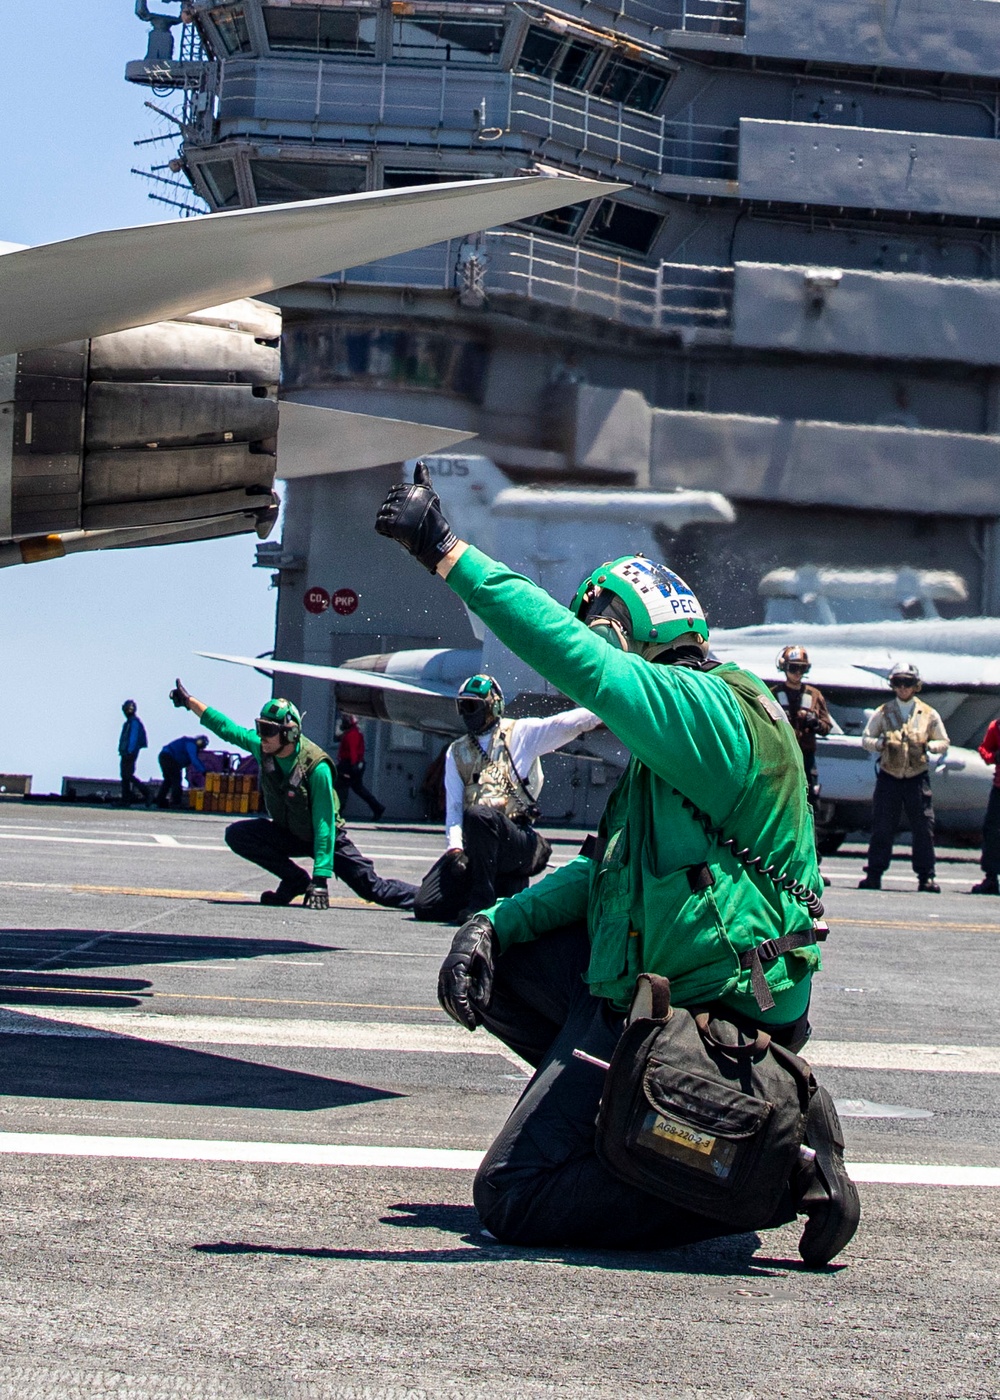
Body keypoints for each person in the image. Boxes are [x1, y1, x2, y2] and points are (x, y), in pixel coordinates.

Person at [374, 463, 858, 1264]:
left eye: (596, 627)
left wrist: (446, 551)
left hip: (713, 1004)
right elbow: (610, 872)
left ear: (620, 630)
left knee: (513, 1196)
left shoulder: (700, 709)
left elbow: (584, 664)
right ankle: (650, 1127)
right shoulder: (684, 730)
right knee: (514, 958)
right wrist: (491, 925)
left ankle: (779, 1170)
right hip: (666, 986)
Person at [167, 680, 416, 911]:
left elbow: (324, 824)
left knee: (373, 889)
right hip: (289, 831)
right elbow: (227, 729)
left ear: (289, 733)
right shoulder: (264, 748)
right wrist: (190, 702)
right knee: (238, 835)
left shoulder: (316, 767)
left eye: (268, 730)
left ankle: (430, 899)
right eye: (260, 728)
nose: (261, 736)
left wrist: (320, 879)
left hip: (326, 837)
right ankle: (295, 879)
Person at [416, 673, 599, 922]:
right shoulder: (457, 752)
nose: (468, 714)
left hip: (517, 840)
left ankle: (481, 905)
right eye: (463, 706)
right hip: (478, 845)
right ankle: (499, 886)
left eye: (473, 706)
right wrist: (455, 850)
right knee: (427, 906)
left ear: (494, 706)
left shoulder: (521, 734)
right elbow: (455, 808)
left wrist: (608, 706)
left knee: (479, 815)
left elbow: (566, 723)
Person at [858, 661, 949, 893]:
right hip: (889, 776)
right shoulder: (883, 711)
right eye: (898, 683)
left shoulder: (928, 714)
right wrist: (882, 744)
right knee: (882, 826)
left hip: (916, 777)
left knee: (923, 827)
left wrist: (929, 745)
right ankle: (874, 874)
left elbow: (943, 740)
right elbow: (866, 739)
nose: (903, 688)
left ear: (915, 685)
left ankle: (926, 876)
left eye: (907, 683)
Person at [771, 645, 834, 885]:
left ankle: (812, 868)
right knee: (782, 811)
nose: (796, 673)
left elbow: (827, 726)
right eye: (792, 668)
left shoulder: (814, 695)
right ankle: (779, 864)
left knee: (810, 812)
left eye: (800, 669)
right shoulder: (773, 694)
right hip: (783, 759)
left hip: (806, 760)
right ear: (784, 668)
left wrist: (815, 722)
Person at [335, 715, 385, 821]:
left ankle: (338, 811)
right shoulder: (351, 733)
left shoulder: (352, 734)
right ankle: (377, 807)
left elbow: (353, 751)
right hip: (351, 764)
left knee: (340, 787)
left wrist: (353, 766)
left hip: (349, 765)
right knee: (358, 789)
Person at [971, 716, 1000, 895]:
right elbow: (985, 749)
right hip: (999, 788)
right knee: (992, 832)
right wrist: (994, 756)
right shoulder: (997, 726)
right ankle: (991, 877)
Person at [156, 734, 209, 808]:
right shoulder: (191, 744)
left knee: (168, 780)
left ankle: (160, 800)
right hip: (169, 757)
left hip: (164, 756)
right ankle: (176, 802)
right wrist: (204, 771)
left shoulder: (189, 743)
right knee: (176, 780)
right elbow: (194, 759)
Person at [118, 700, 150, 807]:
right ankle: (126, 799)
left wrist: (129, 751)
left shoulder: (133, 722)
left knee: (127, 775)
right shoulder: (130, 722)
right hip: (126, 752)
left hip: (129, 752)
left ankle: (146, 793)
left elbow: (133, 738)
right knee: (126, 775)